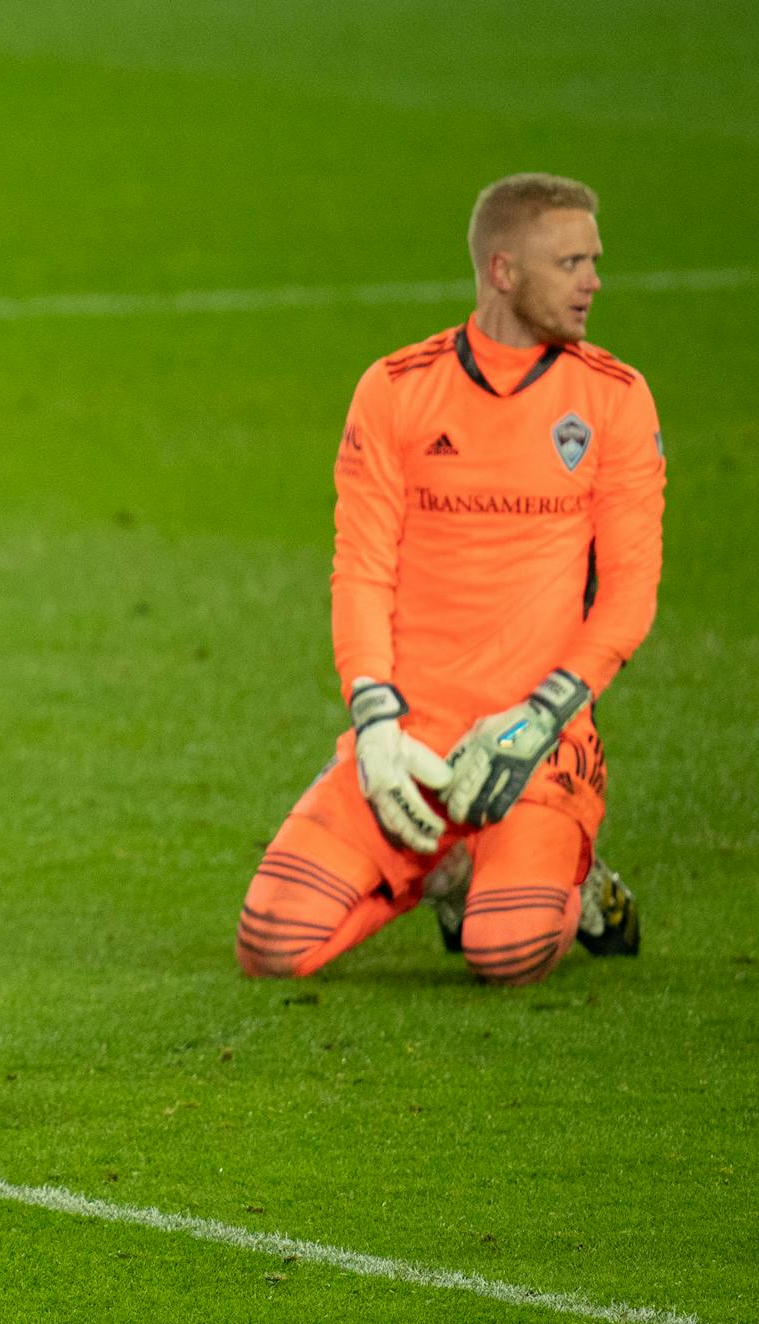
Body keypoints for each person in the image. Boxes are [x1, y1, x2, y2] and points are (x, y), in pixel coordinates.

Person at [236, 173, 657, 987]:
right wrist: (374, 715)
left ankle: (581, 877)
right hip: (410, 736)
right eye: (571, 262)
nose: (594, 281)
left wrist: (540, 718)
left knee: (504, 955)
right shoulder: (396, 390)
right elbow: (360, 566)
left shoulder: (614, 400)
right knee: (271, 943)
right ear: (503, 272)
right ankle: (439, 871)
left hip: (539, 739)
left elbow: (629, 594)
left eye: (594, 260)